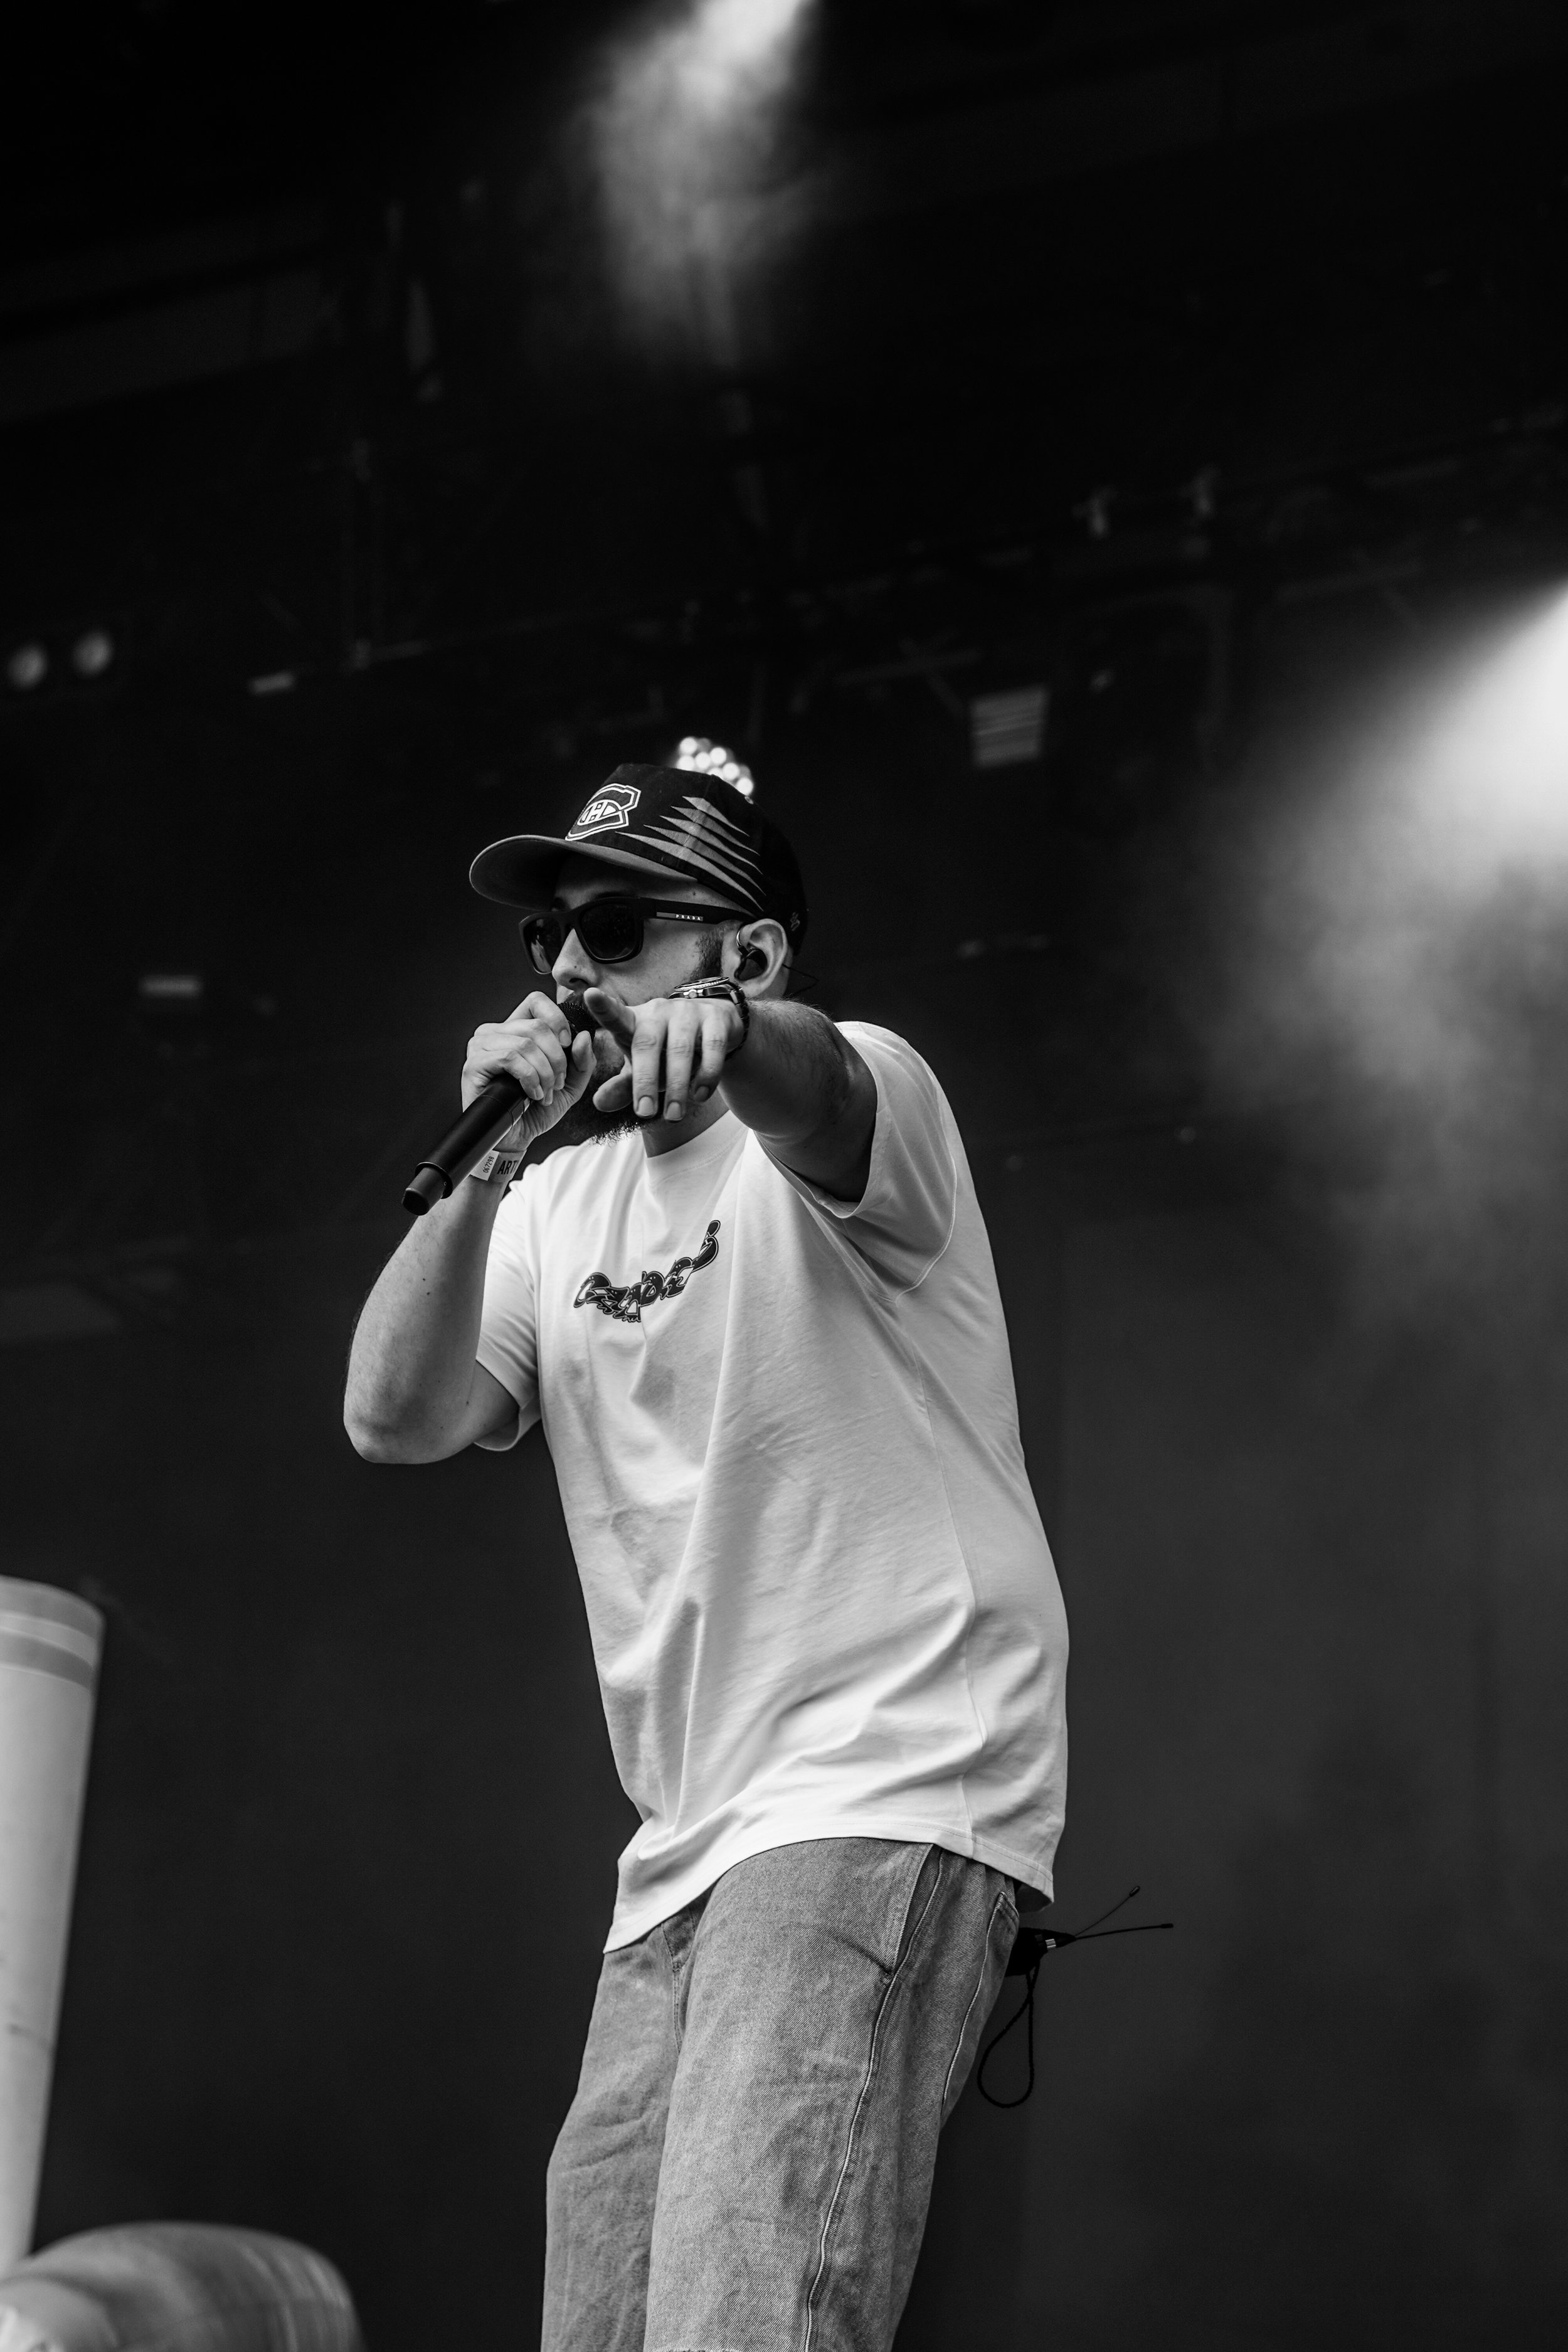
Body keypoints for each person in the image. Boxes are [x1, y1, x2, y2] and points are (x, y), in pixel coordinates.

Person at [344, 762, 1069, 2352]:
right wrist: (488, 1157)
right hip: (678, 1854)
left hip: (875, 1775)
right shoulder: (554, 1203)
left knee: (743, 2321)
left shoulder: (866, 1092)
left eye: (614, 930)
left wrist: (740, 1039)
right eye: (549, 936)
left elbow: (817, 1085)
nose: (565, 969)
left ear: (745, 954)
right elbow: (391, 1415)